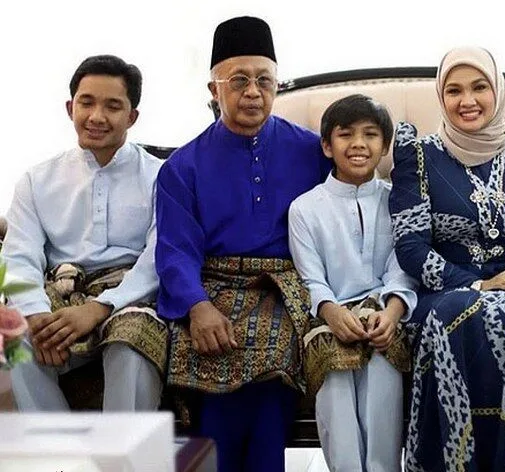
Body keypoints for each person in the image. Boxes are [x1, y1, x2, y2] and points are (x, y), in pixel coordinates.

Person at [389, 46, 505, 471]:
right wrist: (478, 284)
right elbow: (411, 247)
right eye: (454, 91)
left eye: (479, 87)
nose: (467, 101)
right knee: (472, 310)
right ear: (441, 97)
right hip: (444, 293)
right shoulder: (417, 156)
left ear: (498, 90)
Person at [154, 16, 330, 472]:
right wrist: (197, 307)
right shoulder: (181, 167)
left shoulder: (313, 151)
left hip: (281, 288)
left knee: (270, 378)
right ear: (214, 90)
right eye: (239, 80)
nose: (253, 92)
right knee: (211, 381)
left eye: (264, 80)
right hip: (211, 288)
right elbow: (175, 250)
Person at [1, 54, 165, 411]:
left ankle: (126, 448)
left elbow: (159, 256)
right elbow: (18, 255)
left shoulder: (161, 177)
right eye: (86, 103)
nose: (96, 117)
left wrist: (99, 307)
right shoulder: (37, 180)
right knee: (13, 340)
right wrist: (35, 315)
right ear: (69, 108)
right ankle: (57, 445)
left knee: (131, 341)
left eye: (112, 106)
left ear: (132, 116)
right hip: (58, 295)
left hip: (131, 299)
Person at [288, 94, 417, 472]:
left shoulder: (399, 203)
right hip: (328, 315)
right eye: (346, 134)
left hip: (387, 311)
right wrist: (331, 312)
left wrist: (391, 313)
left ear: (385, 146)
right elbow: (311, 277)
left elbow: (403, 268)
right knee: (335, 361)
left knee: (382, 360)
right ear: (327, 146)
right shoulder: (304, 208)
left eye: (370, 135)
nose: (358, 144)